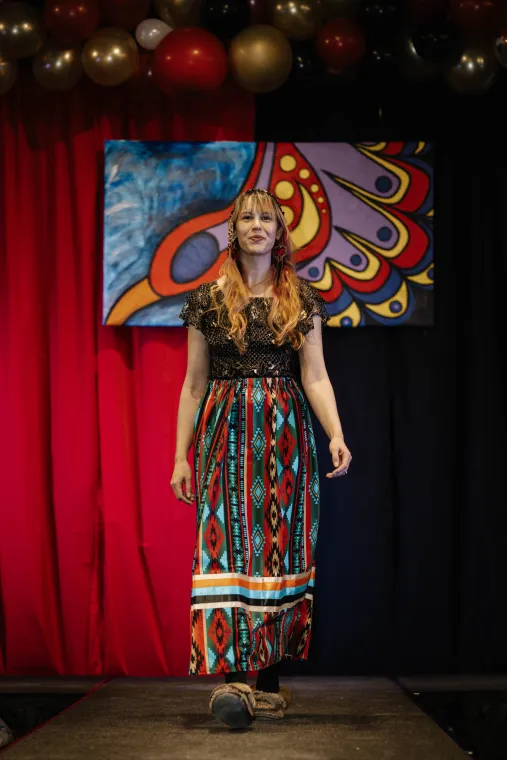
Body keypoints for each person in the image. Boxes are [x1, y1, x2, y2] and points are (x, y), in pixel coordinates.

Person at [172, 188, 352, 729]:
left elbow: (314, 376)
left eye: (266, 218)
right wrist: (180, 455)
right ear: (233, 229)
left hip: (285, 435)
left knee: (278, 545)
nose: (256, 225)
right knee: (225, 544)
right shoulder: (207, 300)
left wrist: (336, 433)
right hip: (225, 433)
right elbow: (194, 383)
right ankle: (232, 679)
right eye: (247, 217)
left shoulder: (300, 298)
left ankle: (267, 680)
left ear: (279, 232)